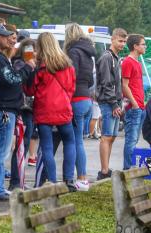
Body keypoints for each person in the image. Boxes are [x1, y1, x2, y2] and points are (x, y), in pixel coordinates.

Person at [0, 23, 33, 201]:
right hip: (3, 110)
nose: (8, 38)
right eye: (3, 35)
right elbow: (11, 79)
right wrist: (28, 66)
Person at [24, 32, 77, 190]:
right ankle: (69, 180)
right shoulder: (68, 65)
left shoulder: (40, 67)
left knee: (46, 147)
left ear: (39, 47)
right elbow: (71, 88)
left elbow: (29, 90)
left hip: (44, 110)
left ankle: (52, 182)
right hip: (64, 109)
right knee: (70, 143)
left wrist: (30, 66)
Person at [65, 23, 96, 191]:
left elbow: (71, 76)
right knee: (80, 141)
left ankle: (81, 178)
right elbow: (91, 79)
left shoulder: (73, 52)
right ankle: (82, 178)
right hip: (87, 99)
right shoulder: (88, 53)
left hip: (75, 99)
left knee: (75, 141)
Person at [96, 27, 127, 180]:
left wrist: (120, 103)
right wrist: (114, 104)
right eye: (120, 41)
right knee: (106, 136)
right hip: (108, 102)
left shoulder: (116, 58)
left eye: (124, 42)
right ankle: (103, 171)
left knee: (113, 136)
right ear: (112, 39)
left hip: (116, 102)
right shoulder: (106, 57)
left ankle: (106, 168)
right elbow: (106, 83)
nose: (122, 44)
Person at [8, 38, 36, 190]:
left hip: (29, 109)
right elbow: (21, 81)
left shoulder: (26, 63)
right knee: (21, 146)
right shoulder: (20, 63)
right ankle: (16, 182)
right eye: (32, 50)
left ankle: (18, 180)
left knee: (23, 146)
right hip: (23, 109)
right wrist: (29, 66)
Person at [121, 33, 146, 170]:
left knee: (135, 139)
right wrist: (135, 104)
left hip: (140, 106)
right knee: (131, 140)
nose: (145, 46)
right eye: (143, 44)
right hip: (133, 107)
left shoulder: (138, 62)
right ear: (135, 46)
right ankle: (128, 169)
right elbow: (124, 85)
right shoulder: (128, 62)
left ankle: (130, 168)